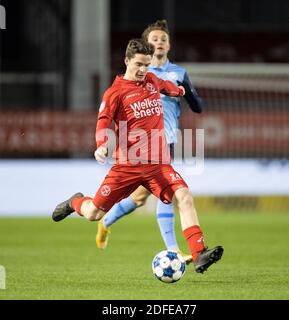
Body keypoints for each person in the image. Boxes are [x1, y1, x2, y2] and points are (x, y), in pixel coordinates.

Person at [52, 38, 223, 274]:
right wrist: (102, 145)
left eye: (147, 64)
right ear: (126, 61)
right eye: (139, 65)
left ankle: (199, 253)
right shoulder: (115, 93)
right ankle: (75, 202)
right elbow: (103, 121)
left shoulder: (151, 79)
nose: (143, 70)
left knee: (184, 197)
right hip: (127, 167)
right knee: (93, 213)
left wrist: (180, 90)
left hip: (158, 165)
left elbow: (166, 86)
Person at [95, 20, 204, 263]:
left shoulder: (178, 73)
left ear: (169, 44)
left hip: (168, 139)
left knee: (141, 198)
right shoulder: (139, 75)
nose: (159, 43)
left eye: (163, 39)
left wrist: (184, 92)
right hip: (139, 145)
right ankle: (174, 250)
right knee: (163, 195)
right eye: (154, 39)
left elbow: (197, 105)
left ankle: (106, 221)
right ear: (147, 45)